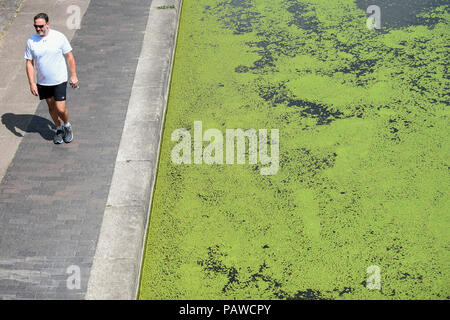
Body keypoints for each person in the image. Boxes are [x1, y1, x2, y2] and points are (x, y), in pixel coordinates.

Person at [24, 13, 78, 144]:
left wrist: (74, 75)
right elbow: (29, 63)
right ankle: (59, 129)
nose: (38, 29)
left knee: (60, 108)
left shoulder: (58, 37)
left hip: (59, 80)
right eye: (36, 26)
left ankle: (67, 125)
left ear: (48, 24)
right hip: (43, 82)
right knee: (52, 108)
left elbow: (69, 56)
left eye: (41, 26)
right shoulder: (31, 41)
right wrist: (32, 83)